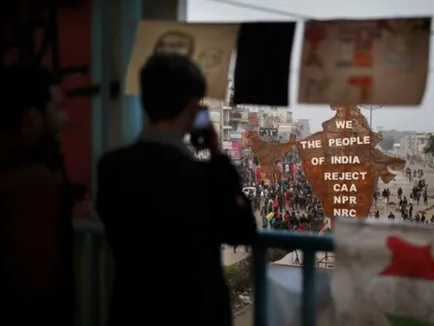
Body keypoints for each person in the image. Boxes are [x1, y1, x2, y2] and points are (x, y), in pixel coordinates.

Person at [96, 53, 257, 326]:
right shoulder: (202, 177)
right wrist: (216, 156)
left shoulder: (111, 167)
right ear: (194, 108)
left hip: (133, 311)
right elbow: (242, 229)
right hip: (194, 313)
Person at [0, 63, 74, 325]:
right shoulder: (31, 180)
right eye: (58, 108)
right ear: (32, 116)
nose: (66, 119)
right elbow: (36, 281)